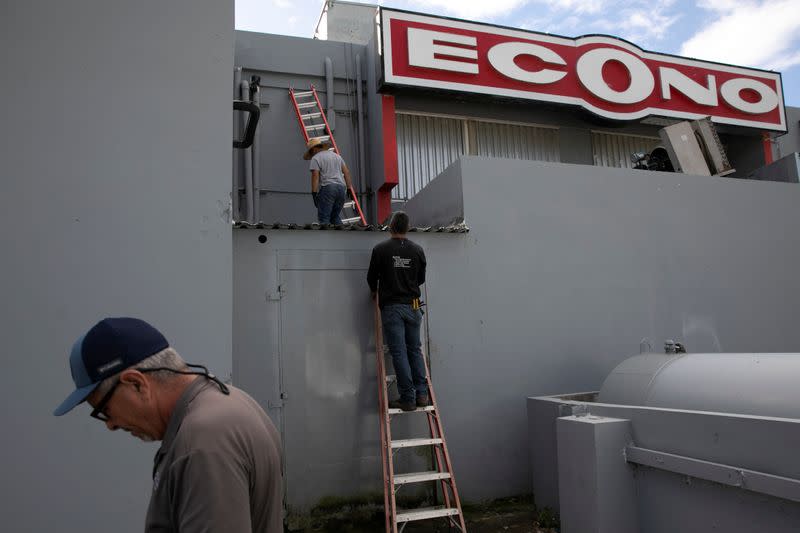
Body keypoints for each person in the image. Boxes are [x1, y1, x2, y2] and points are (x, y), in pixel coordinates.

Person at [53, 317, 283, 533]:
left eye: (105, 410)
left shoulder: (204, 440)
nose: (110, 425)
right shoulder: (228, 400)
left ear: (136, 383)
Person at [367, 211, 429, 412]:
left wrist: (375, 291)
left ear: (391, 227)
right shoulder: (418, 250)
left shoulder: (380, 250)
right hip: (413, 305)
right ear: (407, 227)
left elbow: (371, 277)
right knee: (414, 349)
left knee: (399, 352)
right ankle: (421, 395)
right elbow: (420, 279)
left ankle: (408, 398)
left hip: (392, 307)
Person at [303, 137, 354, 225]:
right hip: (341, 189)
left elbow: (315, 176)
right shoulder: (337, 156)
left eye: (311, 151)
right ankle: (343, 237)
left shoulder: (316, 158)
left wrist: (314, 193)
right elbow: (347, 172)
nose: (311, 154)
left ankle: (325, 238)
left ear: (314, 149)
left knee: (324, 218)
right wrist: (349, 188)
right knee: (334, 217)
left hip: (328, 189)